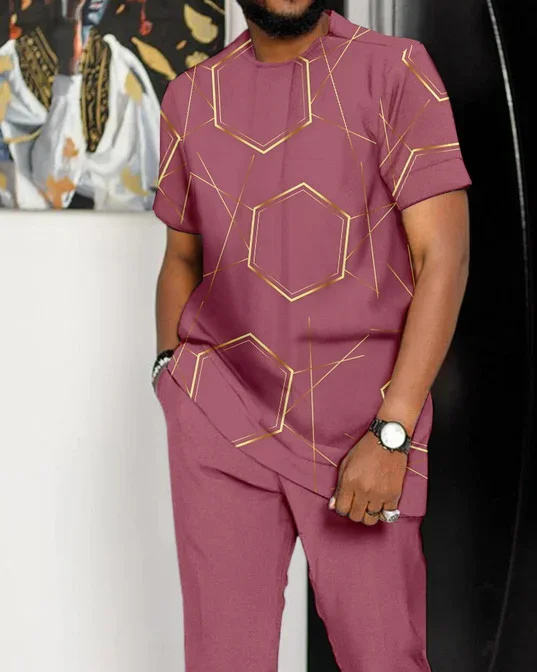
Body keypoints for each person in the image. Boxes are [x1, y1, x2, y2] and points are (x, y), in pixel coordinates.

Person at [151, 1, 472, 669]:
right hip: (222, 416)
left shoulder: (395, 70)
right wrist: (170, 379)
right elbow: (182, 255)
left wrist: (393, 432)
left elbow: (442, 257)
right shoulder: (191, 96)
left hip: (363, 428)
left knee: (382, 657)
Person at [0, 0, 159, 209]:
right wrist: (68, 75)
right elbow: (54, 188)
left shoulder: (122, 67)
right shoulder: (8, 68)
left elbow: (150, 181)